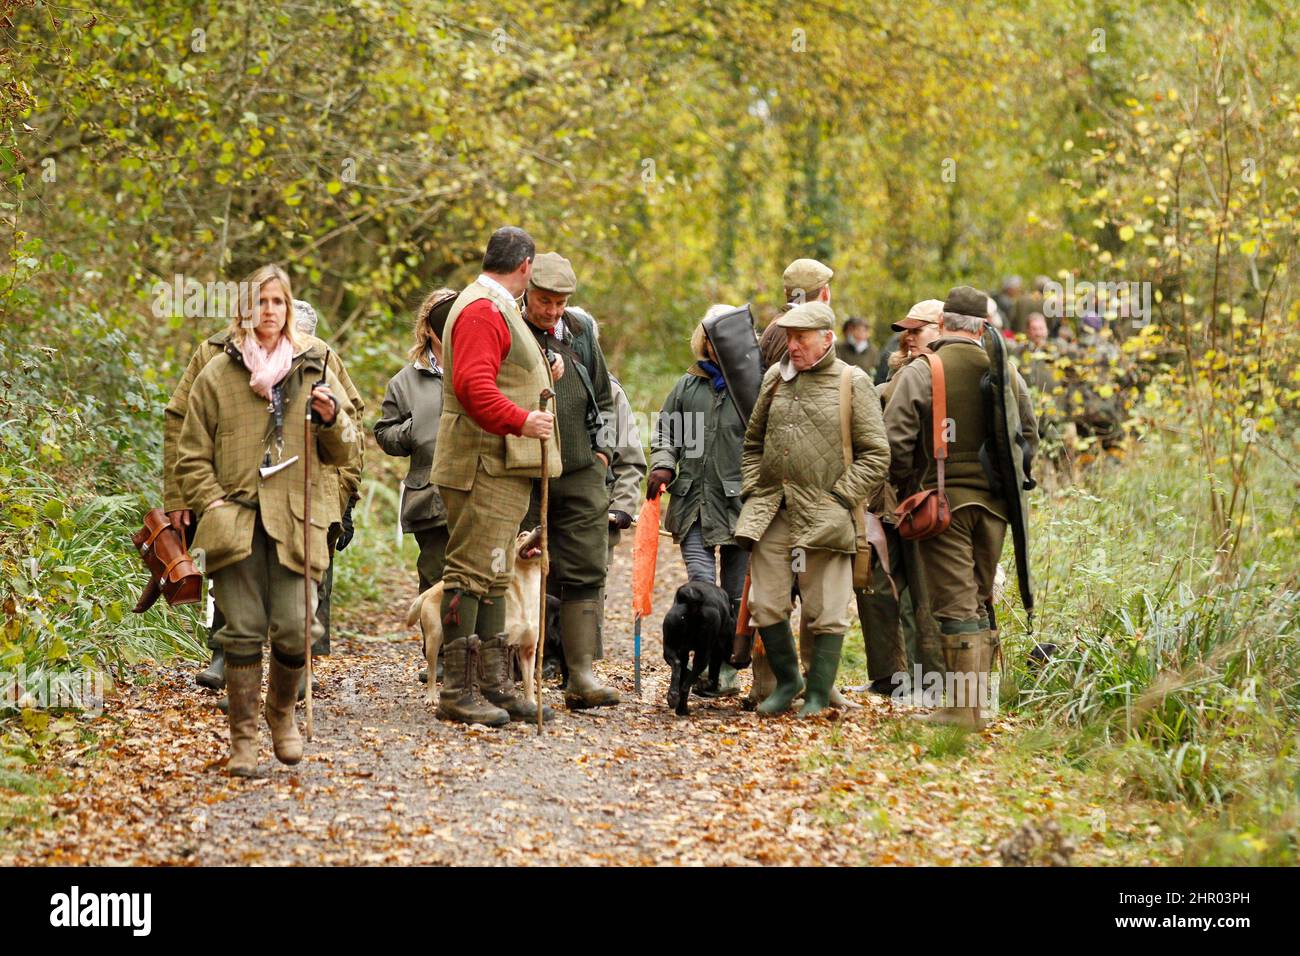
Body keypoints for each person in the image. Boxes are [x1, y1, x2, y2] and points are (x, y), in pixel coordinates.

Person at [175, 264, 361, 776]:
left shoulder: (317, 365)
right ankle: (243, 741)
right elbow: (190, 453)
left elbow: (349, 448)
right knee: (242, 631)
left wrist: (331, 421)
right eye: (260, 303)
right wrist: (210, 502)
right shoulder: (216, 374)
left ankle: (282, 715)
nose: (269, 312)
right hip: (233, 521)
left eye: (278, 303)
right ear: (244, 309)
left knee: (296, 625)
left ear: (289, 308)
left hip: (298, 518)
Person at [883, 286, 1038, 729]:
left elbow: (894, 443)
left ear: (946, 323)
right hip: (995, 507)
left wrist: (909, 484)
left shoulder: (924, 369)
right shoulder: (1004, 370)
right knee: (978, 595)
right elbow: (1028, 435)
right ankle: (976, 704)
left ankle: (965, 712)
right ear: (984, 326)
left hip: (942, 505)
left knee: (955, 606)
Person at [430, 227, 562, 727]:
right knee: (469, 572)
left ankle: (492, 683)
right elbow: (471, 385)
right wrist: (523, 419)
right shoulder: (484, 308)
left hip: (499, 464)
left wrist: (543, 379)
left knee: (495, 574)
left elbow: (499, 374)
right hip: (481, 463)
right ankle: (458, 691)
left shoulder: (495, 305)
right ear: (526, 266)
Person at [733, 301, 890, 717]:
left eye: (801, 339)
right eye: (788, 338)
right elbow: (752, 444)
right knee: (765, 604)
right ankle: (788, 684)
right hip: (772, 509)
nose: (793, 347)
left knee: (826, 611)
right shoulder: (775, 378)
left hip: (827, 513)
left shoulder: (852, 382)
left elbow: (876, 455)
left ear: (826, 339)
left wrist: (840, 499)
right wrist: (755, 486)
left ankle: (819, 692)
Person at [518, 253, 620, 710]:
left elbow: (605, 395)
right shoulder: (508, 326)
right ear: (526, 291)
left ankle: (580, 673)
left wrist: (602, 452)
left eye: (560, 302)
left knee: (585, 565)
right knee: (513, 563)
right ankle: (507, 674)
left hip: (579, 469)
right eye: (545, 301)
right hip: (522, 467)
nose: (553, 311)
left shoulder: (580, 331)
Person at [649, 305, 749, 697]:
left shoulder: (752, 387)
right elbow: (666, 435)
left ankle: (726, 669)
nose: (714, 343)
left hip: (742, 506)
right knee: (704, 589)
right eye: (709, 336)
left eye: (722, 336)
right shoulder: (687, 386)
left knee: (737, 596)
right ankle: (694, 669)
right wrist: (663, 465)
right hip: (693, 504)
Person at [857, 300, 946, 696]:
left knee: (922, 594)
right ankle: (888, 676)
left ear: (941, 328)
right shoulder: (899, 373)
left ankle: (929, 681)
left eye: (918, 329)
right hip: (885, 499)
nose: (908, 337)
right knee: (874, 584)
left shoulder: (945, 372)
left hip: (922, 499)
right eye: (905, 331)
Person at [374, 287, 456, 683]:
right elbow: (384, 434)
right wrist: (412, 430)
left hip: (474, 488)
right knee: (435, 575)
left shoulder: (479, 364)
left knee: (479, 573)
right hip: (428, 494)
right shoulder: (404, 382)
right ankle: (436, 657)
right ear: (429, 327)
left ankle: (473, 654)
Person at [604, 374, 646, 565]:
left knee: (585, 592)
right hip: (534, 519)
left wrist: (622, 506)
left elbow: (629, 460)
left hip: (596, 520)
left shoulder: (608, 390)